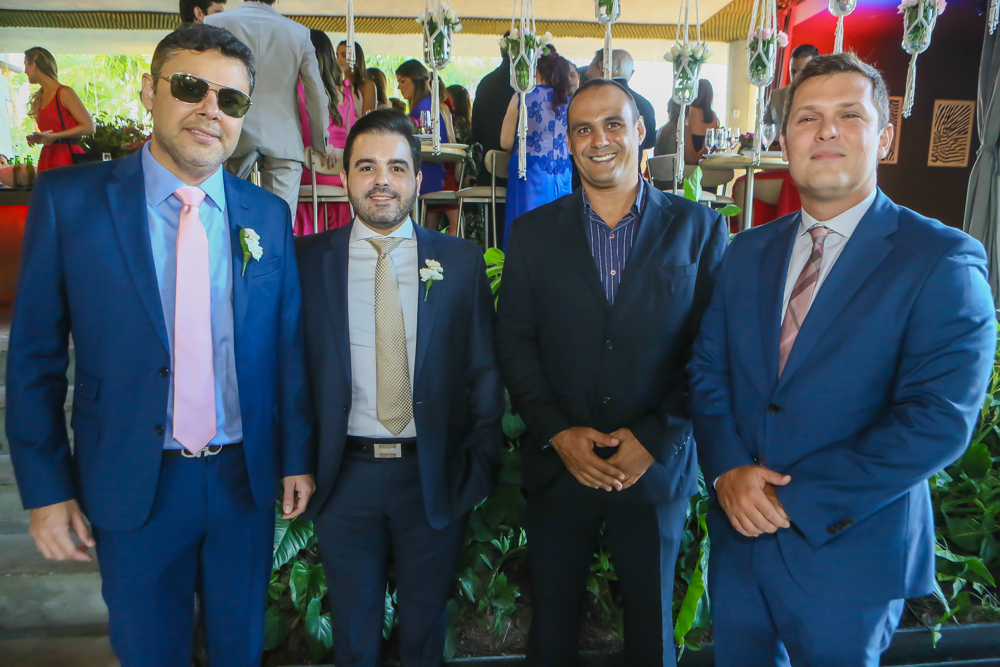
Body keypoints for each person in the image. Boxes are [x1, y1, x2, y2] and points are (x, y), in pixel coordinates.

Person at [6, 24, 315, 666]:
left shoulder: (266, 215)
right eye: (190, 87)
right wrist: (46, 490)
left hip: (243, 483)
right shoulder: (73, 202)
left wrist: (295, 457)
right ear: (150, 91)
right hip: (132, 479)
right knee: (149, 652)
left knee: (239, 651)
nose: (210, 109)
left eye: (230, 99)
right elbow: (34, 360)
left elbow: (286, 350)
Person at [688, 52, 996, 667]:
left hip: (848, 551)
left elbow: (937, 420)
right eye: (807, 118)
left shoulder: (940, 259)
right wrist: (726, 471)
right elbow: (707, 370)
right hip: (740, 542)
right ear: (784, 142)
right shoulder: (745, 251)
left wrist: (792, 501)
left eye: (849, 115)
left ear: (884, 138)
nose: (826, 130)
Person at [495, 77, 728, 667]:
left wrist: (655, 436)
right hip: (560, 466)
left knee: (652, 634)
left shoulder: (699, 229)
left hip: (653, 470)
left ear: (640, 131)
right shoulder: (531, 234)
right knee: (551, 632)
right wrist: (556, 432)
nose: (599, 140)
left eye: (613, 124)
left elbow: (711, 348)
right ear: (569, 142)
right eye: (583, 129)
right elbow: (515, 343)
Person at [295, 110, 503, 667]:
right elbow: (291, 370)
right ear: (345, 176)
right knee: (353, 632)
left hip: (432, 475)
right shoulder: (308, 262)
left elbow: (484, 370)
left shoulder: (459, 261)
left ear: (416, 178)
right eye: (366, 167)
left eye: (396, 167)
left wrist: (479, 463)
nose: (381, 180)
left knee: (425, 628)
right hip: (344, 477)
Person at [206, 0, 332, 216]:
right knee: (280, 220)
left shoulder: (214, 24)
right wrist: (321, 142)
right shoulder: (299, 33)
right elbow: (316, 96)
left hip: (232, 132)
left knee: (226, 215)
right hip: (283, 140)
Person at [500, 46, 573, 249]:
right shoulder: (569, 102)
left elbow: (505, 142)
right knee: (560, 233)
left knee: (527, 232)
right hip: (563, 174)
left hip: (530, 172)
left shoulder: (522, 97)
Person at [295, 29, 353, 235]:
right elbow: (352, 137)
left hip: (310, 176)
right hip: (341, 178)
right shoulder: (345, 93)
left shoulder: (298, 89)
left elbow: (303, 133)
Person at [23, 47, 95, 172]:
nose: (25, 70)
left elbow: (90, 127)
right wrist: (40, 138)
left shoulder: (64, 93)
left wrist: (55, 136)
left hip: (66, 156)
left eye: (25, 65)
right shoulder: (40, 97)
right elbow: (52, 133)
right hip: (48, 156)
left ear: (34, 65)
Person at [471, 34, 515, 243]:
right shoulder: (528, 86)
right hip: (522, 174)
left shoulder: (486, 83)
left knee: (495, 230)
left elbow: (476, 132)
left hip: (490, 174)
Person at [586, 49, 656, 153]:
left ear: (602, 66)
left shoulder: (592, 101)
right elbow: (650, 142)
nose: (587, 72)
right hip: (634, 162)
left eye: (590, 66)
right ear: (631, 73)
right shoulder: (645, 104)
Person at [763, 43, 820, 131]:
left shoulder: (825, 98)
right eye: (793, 71)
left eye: (802, 72)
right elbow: (764, 129)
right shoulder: (775, 96)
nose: (796, 77)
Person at [684, 79, 719, 165]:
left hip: (688, 166)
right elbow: (714, 147)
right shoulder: (713, 117)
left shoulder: (687, 113)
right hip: (706, 165)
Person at [338, 41, 378, 116]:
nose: (339, 59)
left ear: (355, 57)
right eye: (337, 56)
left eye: (344, 55)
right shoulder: (338, 85)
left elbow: (368, 119)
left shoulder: (367, 86)